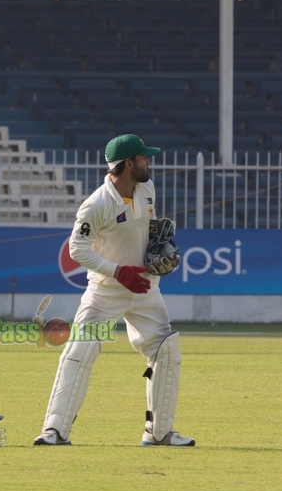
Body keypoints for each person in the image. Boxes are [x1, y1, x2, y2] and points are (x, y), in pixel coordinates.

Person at [33, 134, 194, 447]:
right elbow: (77, 249)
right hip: (106, 288)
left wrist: (158, 251)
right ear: (129, 163)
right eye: (144, 158)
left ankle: (159, 433)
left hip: (145, 286)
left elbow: (141, 232)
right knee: (79, 351)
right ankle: (54, 431)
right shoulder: (97, 204)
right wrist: (118, 271)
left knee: (166, 350)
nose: (150, 162)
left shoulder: (146, 188)